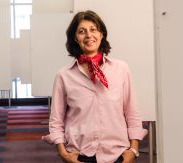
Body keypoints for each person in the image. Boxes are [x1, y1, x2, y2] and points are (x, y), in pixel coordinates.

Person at [42, 10, 148, 163]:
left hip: (117, 154)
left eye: (93, 29)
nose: (88, 35)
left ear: (102, 34)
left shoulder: (121, 69)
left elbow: (132, 113)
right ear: (75, 38)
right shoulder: (64, 75)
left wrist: (133, 150)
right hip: (80, 155)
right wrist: (64, 154)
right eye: (81, 31)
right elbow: (56, 120)